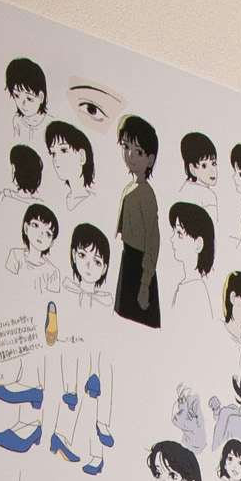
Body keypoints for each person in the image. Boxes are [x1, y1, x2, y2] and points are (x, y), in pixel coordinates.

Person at [109, 116, 164, 326]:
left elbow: (153, 239)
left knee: (138, 319)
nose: (130, 155)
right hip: (128, 259)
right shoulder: (129, 188)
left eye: (138, 152)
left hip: (141, 266)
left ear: (150, 159)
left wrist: (145, 283)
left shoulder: (147, 194)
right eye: (126, 147)